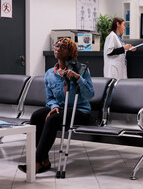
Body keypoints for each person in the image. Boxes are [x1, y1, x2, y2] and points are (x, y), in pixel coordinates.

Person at [18, 38, 94, 174]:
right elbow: (50, 98)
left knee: (53, 119)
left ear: (70, 52)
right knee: (37, 116)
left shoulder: (81, 69)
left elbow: (90, 95)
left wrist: (78, 79)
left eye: (62, 46)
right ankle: (45, 161)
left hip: (79, 111)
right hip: (60, 109)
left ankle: (35, 162)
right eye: (56, 45)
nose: (58, 48)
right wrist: (54, 106)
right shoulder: (49, 73)